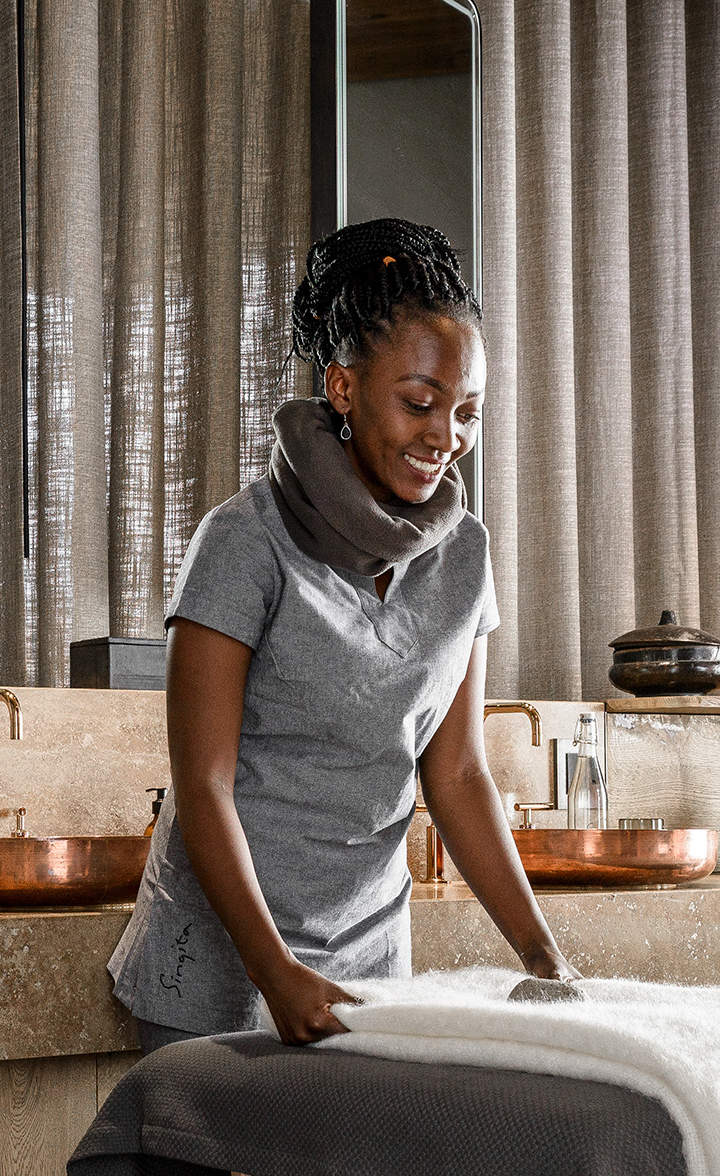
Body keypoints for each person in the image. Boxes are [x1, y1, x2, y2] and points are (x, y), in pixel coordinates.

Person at [108, 217, 577, 1055]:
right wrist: (271, 968)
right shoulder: (243, 542)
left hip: (369, 965)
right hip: (218, 963)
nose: (445, 436)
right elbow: (203, 785)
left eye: (467, 413)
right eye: (420, 403)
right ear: (343, 388)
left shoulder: (466, 556)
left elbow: (460, 771)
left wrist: (545, 958)